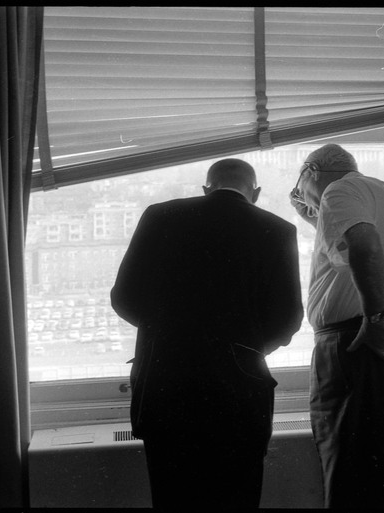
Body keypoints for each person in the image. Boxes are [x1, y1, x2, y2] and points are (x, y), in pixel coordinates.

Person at [111, 158, 304, 509]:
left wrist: (167, 334)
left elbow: (123, 297)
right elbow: (288, 318)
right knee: (237, 495)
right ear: (256, 193)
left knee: (172, 495)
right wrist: (245, 349)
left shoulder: (159, 216)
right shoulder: (278, 230)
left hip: (166, 385)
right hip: (239, 391)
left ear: (206, 187)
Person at [290, 144, 384, 509]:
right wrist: (315, 218)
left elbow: (367, 247)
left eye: (298, 187)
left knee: (354, 483)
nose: (300, 196)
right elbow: (352, 255)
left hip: (366, 342)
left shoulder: (337, 191)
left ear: (310, 171)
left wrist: (374, 318)